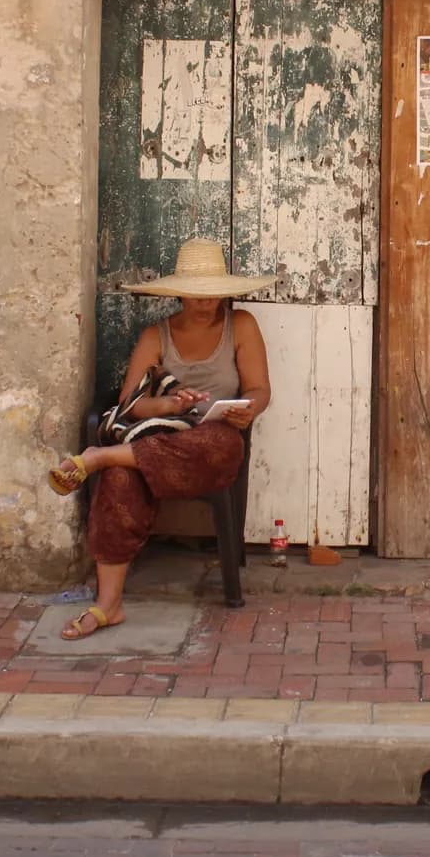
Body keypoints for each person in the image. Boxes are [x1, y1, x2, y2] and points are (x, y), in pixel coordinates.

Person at [47, 238, 273, 640]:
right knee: (119, 480)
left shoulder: (241, 325)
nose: (206, 303)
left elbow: (259, 389)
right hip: (168, 433)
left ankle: (102, 457)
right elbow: (130, 405)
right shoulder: (157, 335)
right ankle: (107, 605)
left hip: (213, 439)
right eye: (196, 295)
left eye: (212, 295)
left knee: (219, 444)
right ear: (179, 293)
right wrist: (169, 405)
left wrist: (248, 408)